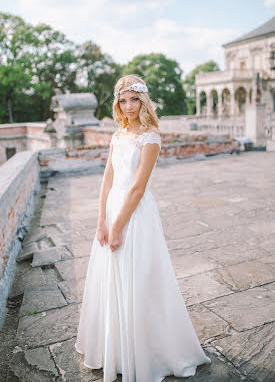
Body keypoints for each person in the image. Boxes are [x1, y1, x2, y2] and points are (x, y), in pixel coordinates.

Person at [75, 74, 211, 381]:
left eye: (134, 99)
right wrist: (101, 220)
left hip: (135, 215)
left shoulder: (150, 137)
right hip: (112, 209)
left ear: (143, 101)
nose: (128, 106)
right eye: (122, 101)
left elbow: (137, 188)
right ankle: (118, 350)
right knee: (111, 280)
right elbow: (107, 179)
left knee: (140, 279)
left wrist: (119, 226)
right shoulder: (118, 134)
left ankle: (148, 350)